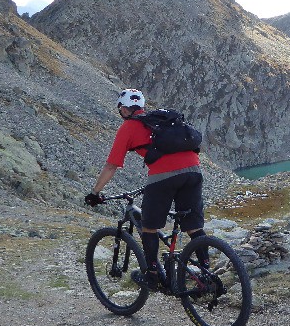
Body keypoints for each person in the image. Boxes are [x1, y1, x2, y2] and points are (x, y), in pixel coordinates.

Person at [84, 88, 206, 291]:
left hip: (164, 175)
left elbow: (111, 166)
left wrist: (95, 193)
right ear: (141, 106)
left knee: (149, 226)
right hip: (194, 171)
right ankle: (206, 272)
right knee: (193, 226)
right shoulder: (162, 120)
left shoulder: (129, 127)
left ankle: (152, 275)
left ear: (123, 109)